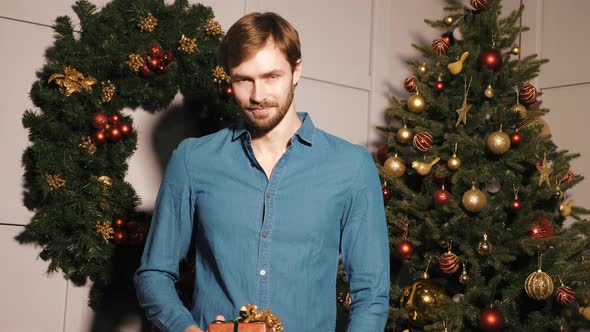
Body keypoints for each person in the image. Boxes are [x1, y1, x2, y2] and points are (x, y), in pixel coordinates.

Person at [135, 12, 390, 332]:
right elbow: (154, 274)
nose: (257, 96)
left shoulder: (351, 166)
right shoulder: (193, 160)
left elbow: (371, 295)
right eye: (244, 79)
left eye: (271, 76)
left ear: (297, 71)